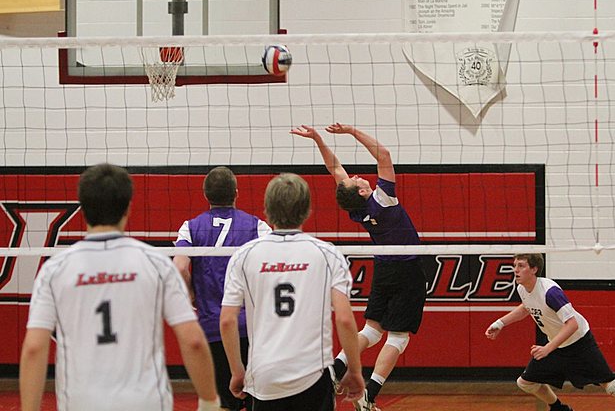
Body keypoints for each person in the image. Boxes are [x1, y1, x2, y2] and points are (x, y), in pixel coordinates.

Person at [19, 163, 220, 411]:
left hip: (82, 403)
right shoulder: (156, 263)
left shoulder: (55, 269)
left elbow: (33, 348)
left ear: (82, 208)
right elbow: (193, 341)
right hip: (146, 402)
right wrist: (209, 400)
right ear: (128, 207)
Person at [290, 123, 427, 411]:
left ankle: (333, 371)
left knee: (373, 331)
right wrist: (352, 132)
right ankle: (370, 394)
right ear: (363, 191)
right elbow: (384, 155)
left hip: (384, 269)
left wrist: (317, 139)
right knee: (398, 337)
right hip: (407, 270)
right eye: (354, 180)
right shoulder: (382, 201)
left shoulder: (357, 209)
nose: (353, 176)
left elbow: (334, 168)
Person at [220, 173, 364, 410]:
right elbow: (346, 320)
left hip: (264, 377)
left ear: (266, 210)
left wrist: (237, 371)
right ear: (307, 210)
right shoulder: (327, 254)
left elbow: (227, 321)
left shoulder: (244, 256)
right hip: (313, 375)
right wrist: (355, 370)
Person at [485, 253, 615, 411]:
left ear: (534, 269)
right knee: (526, 383)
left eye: (521, 265)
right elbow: (526, 308)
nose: (515, 270)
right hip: (557, 344)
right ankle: (559, 408)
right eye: (514, 265)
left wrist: (548, 348)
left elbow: (572, 324)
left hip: (579, 344)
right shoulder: (523, 289)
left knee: (614, 387)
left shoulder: (550, 292)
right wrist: (500, 323)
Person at [174, 166, 271, 411]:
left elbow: (179, 267)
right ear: (236, 193)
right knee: (258, 400)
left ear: (206, 195)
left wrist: (190, 293)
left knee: (221, 403)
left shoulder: (191, 227)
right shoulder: (258, 227)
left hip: (212, 326)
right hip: (250, 328)